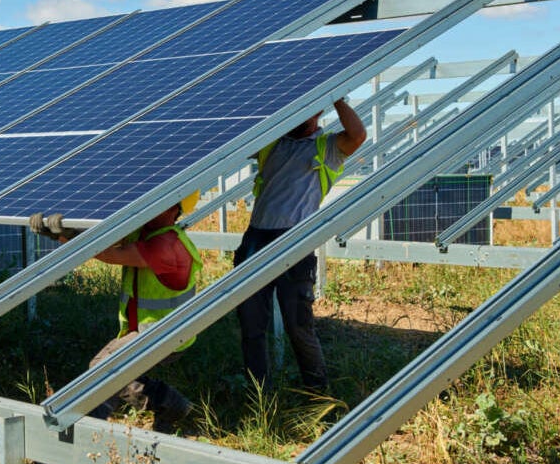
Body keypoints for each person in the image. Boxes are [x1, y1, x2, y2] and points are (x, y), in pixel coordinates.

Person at [30, 192, 200, 433]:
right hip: (145, 329)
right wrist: (65, 232)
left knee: (103, 369)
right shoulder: (146, 232)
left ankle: (169, 403)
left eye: (162, 203)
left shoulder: (167, 245)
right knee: (107, 377)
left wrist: (65, 237)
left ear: (175, 210)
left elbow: (110, 254)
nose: (153, 206)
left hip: (166, 332)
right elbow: (107, 240)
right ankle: (92, 431)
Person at [234, 98, 366, 393]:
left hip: (295, 242)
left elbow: (357, 136)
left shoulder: (327, 147)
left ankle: (318, 393)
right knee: (252, 324)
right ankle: (260, 395)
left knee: (298, 325)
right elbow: (239, 137)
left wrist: (336, 97)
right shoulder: (272, 143)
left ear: (318, 112)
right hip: (256, 238)